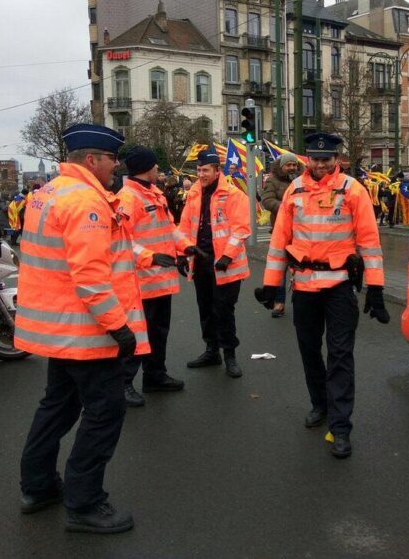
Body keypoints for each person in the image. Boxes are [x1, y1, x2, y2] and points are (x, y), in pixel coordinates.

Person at [15, 123, 149, 534]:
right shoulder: (86, 201)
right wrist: (119, 326)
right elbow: (91, 276)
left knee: (57, 407)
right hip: (87, 331)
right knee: (105, 412)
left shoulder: (47, 193)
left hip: (57, 327)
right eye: (111, 159)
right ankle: (85, 502)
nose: (116, 166)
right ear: (91, 160)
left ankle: (38, 487)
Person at [255, 133, 389, 459]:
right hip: (303, 286)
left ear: (337, 159)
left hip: (340, 287)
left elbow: (369, 241)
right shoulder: (294, 190)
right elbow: (279, 241)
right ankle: (320, 404)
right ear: (308, 160)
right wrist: (271, 284)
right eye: (315, 159)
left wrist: (376, 288)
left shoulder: (352, 190)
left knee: (340, 355)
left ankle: (341, 426)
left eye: (326, 159)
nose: (320, 165)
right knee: (309, 352)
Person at [118, 145, 203, 406]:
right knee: (137, 333)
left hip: (159, 279)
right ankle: (124, 384)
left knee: (158, 332)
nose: (158, 168)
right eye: (155, 164)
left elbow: (168, 229)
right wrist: (151, 257)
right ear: (146, 168)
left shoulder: (154, 193)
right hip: (141, 280)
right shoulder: (128, 198)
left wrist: (186, 246)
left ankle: (155, 376)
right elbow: (122, 241)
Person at [178, 146, 250, 378]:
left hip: (226, 265)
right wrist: (181, 253)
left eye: (205, 170)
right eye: (199, 170)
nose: (201, 174)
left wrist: (227, 256)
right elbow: (185, 226)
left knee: (223, 310)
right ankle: (211, 350)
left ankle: (230, 354)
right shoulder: (193, 194)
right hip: (201, 262)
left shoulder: (233, 195)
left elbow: (241, 228)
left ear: (217, 170)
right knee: (206, 309)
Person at [260, 152, 299, 318]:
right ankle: (279, 302)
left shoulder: (302, 180)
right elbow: (267, 200)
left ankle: (302, 301)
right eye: (288, 165)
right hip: (281, 230)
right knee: (280, 268)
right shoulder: (272, 181)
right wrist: (286, 208)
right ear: (281, 166)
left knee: (301, 267)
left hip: (302, 232)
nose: (292, 168)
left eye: (294, 165)